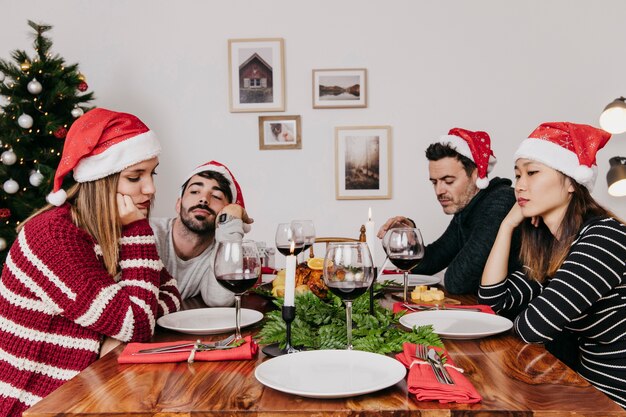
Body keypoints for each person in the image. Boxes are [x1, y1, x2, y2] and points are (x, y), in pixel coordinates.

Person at [0, 108, 181, 417]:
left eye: (152, 174)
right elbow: (138, 323)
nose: (149, 188)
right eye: (135, 177)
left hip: (89, 389)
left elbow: (170, 293)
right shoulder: (54, 237)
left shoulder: (104, 229)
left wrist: (118, 329)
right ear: (100, 180)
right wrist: (136, 230)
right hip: (39, 403)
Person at [479, 122, 626, 408]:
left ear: (571, 182)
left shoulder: (604, 237)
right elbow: (493, 305)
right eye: (518, 174)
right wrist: (507, 226)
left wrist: (516, 319)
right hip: (586, 385)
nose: (520, 185)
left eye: (533, 172)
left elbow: (531, 329)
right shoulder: (550, 245)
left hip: (616, 395)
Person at [378, 128, 520, 294]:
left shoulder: (500, 202)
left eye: (448, 181)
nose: (439, 191)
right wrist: (410, 237)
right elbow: (427, 264)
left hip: (514, 316)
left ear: (475, 174)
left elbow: (457, 282)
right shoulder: (468, 207)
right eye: (434, 182)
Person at [150, 161, 253, 307]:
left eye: (216, 196)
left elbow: (220, 300)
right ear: (178, 204)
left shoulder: (217, 252)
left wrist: (230, 222)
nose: (204, 199)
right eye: (194, 192)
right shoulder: (149, 233)